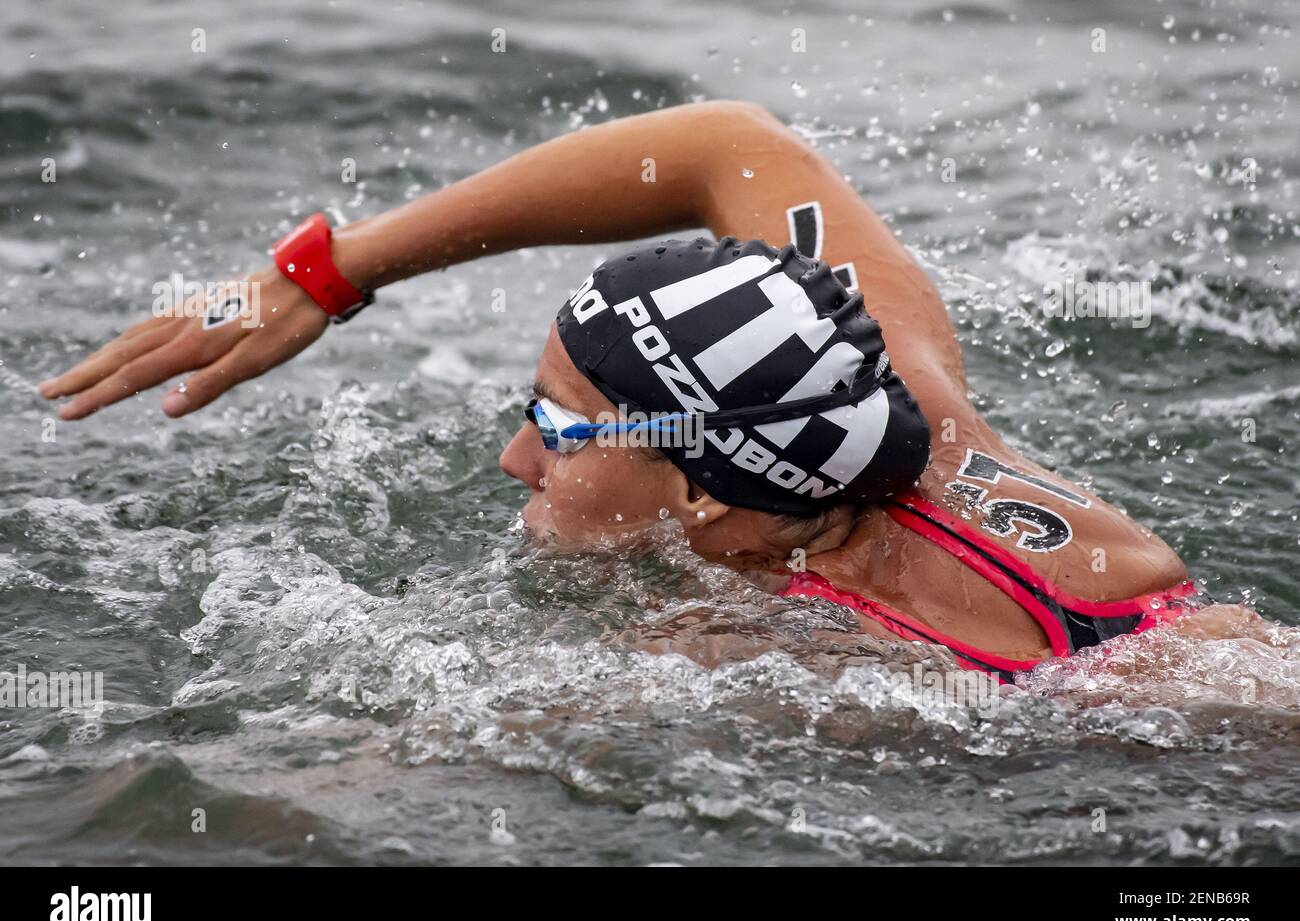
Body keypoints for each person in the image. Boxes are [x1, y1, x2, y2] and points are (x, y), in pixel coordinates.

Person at [37, 101, 1261, 683]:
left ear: (713, 504)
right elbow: (724, 144)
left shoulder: (782, 663)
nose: (516, 459)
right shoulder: (884, 377)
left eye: (563, 434)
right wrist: (325, 271)